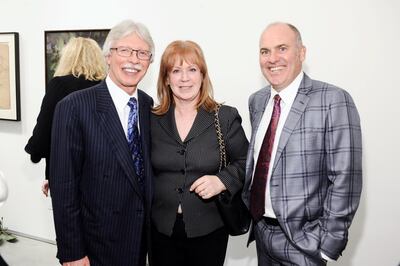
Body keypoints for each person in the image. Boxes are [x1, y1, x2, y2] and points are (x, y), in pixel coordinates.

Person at [242, 22, 362, 265]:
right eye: (265, 51)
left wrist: (328, 245)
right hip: (262, 233)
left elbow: (345, 178)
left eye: (282, 48)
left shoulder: (333, 100)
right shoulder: (258, 101)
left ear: (302, 53)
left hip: (304, 244)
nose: (272, 58)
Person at [49, 20, 154, 266]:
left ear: (150, 61)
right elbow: (64, 187)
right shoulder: (74, 107)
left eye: (142, 53)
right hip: (94, 247)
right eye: (125, 50)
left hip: (139, 243)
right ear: (108, 55)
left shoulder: (149, 107)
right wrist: (73, 252)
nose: (134, 59)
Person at [150, 40, 249, 266]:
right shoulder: (151, 119)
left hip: (209, 230)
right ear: (166, 78)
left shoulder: (223, 117)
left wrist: (221, 181)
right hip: (160, 230)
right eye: (176, 71)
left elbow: (247, 161)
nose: (185, 78)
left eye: (192, 70)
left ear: (203, 76)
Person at [24, 37, 106, 197]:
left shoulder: (60, 85)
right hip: (101, 174)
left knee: (67, 221)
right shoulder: (105, 88)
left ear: (68, 58)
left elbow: (45, 127)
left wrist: (35, 152)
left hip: (66, 171)